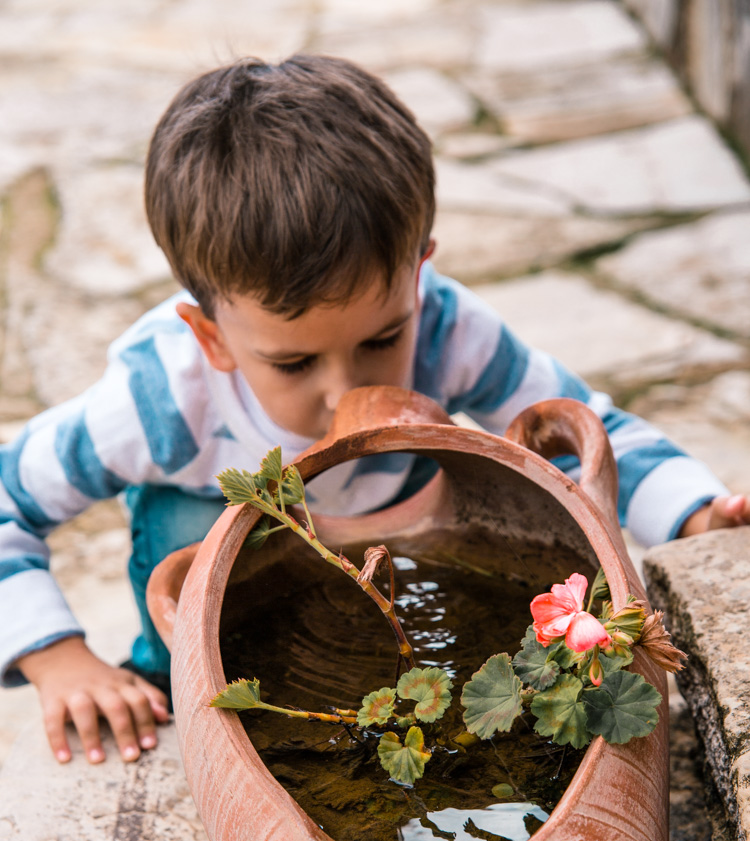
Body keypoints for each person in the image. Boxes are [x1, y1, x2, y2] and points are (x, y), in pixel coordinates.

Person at [1, 56, 748, 767]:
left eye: (383, 337)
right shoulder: (159, 399)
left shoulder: (449, 327)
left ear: (419, 273)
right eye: (292, 362)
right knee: (189, 536)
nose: (340, 389)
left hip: (384, 587)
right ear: (212, 336)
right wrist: (55, 654)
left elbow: (585, 427)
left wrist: (695, 513)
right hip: (226, 621)